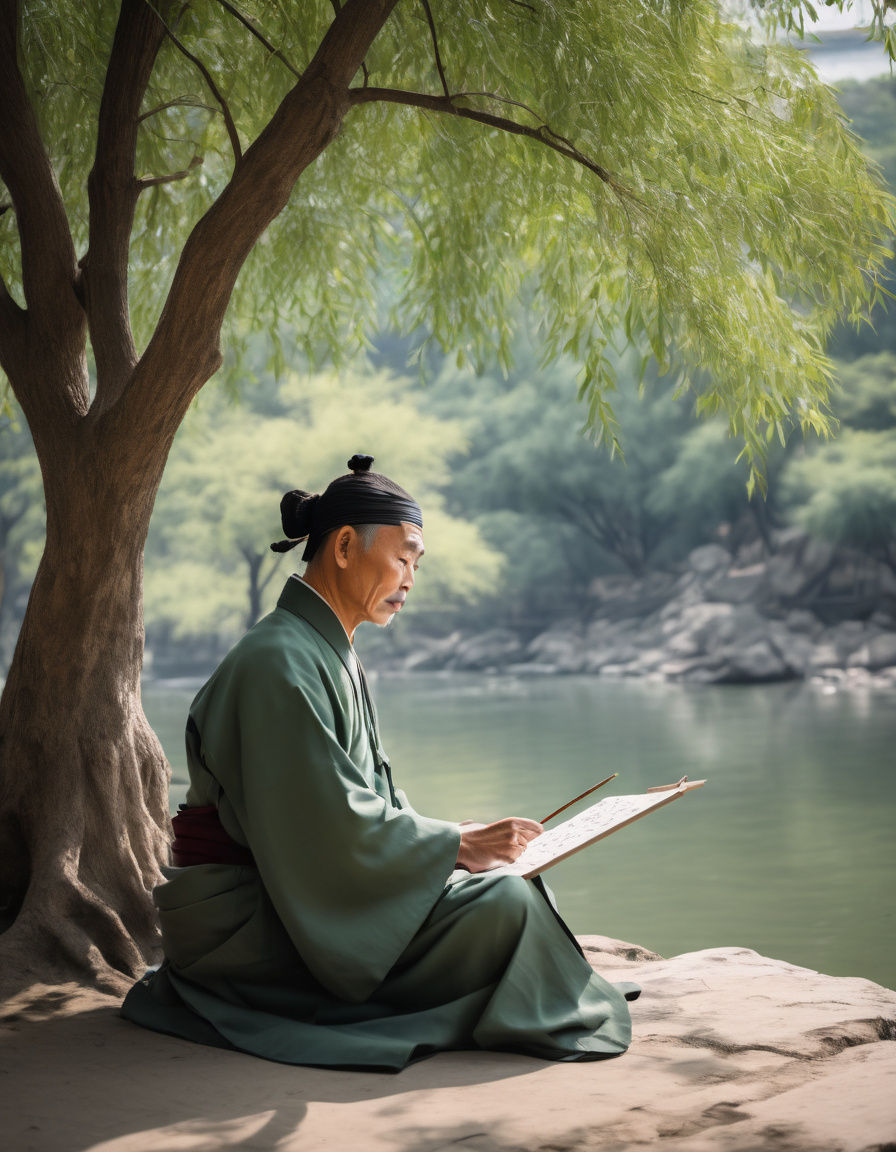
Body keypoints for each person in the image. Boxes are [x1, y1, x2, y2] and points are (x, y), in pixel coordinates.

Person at [121, 454, 637, 1070]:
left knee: (503, 885)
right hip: (253, 926)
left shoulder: (322, 649)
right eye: (403, 557)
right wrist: (450, 845)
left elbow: (360, 807)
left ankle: (519, 979)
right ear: (343, 546)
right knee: (504, 904)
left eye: (416, 564)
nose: (410, 580)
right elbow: (322, 832)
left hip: (310, 895)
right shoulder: (275, 663)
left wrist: (451, 846)